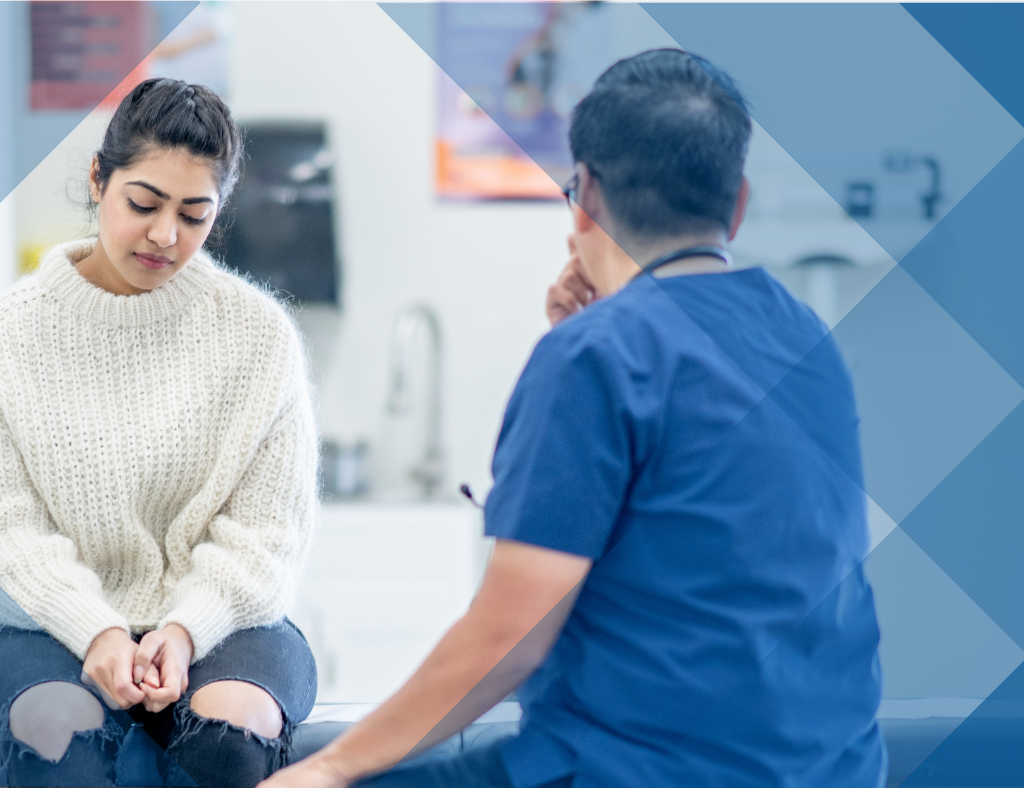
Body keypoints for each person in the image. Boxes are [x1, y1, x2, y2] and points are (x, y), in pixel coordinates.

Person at [262, 49, 884, 788]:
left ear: (584, 194)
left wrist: (331, 769)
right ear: (738, 204)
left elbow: (510, 637)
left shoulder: (597, 358)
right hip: (835, 769)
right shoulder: (806, 337)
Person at [0, 77, 319, 788]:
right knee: (60, 744)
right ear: (97, 180)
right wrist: (97, 628)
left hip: (228, 627)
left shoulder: (259, 337)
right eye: (143, 204)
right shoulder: (6, 334)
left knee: (231, 741)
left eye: (194, 214)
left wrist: (183, 631)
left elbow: (269, 535)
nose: (164, 236)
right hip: (45, 629)